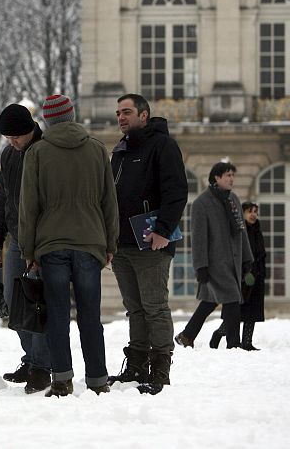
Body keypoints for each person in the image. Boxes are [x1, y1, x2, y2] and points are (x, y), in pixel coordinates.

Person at [19, 94, 119, 397]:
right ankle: (98, 380)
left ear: (47, 120)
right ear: (72, 115)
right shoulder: (97, 149)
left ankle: (62, 379)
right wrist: (110, 242)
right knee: (90, 314)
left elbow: (29, 206)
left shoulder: (37, 153)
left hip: (51, 245)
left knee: (58, 315)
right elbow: (109, 201)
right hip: (90, 243)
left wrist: (28, 250)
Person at [108, 93, 188, 395]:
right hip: (121, 245)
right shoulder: (121, 149)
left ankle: (160, 367)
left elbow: (177, 191)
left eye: (127, 112)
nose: (121, 118)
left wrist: (163, 230)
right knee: (135, 309)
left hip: (151, 242)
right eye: (118, 113)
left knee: (154, 307)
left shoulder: (162, 145)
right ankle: (137, 364)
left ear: (144, 114)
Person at [0, 103, 51, 394]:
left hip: (40, 241)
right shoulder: (10, 154)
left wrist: (37, 249)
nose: (12, 142)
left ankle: (42, 367)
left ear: (30, 130)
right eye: (7, 137)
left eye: (16, 136)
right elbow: (3, 197)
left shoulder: (45, 151)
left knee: (35, 304)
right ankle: (33, 359)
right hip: (15, 239)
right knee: (15, 304)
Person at [175, 162, 253, 350]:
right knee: (233, 299)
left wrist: (247, 259)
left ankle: (187, 335)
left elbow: (241, 231)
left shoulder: (233, 199)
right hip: (215, 262)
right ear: (216, 178)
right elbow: (199, 238)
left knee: (210, 302)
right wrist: (200, 266)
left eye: (232, 175)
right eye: (227, 175)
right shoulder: (202, 203)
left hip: (233, 260)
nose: (231, 179)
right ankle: (233, 344)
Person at [208, 201, 266, 351]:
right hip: (241, 277)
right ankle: (219, 333)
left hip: (256, 277)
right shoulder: (239, 230)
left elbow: (261, 254)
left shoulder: (257, 230)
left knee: (252, 311)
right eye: (250, 211)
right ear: (243, 213)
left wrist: (262, 274)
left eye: (255, 211)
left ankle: (247, 342)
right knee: (236, 313)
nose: (253, 214)